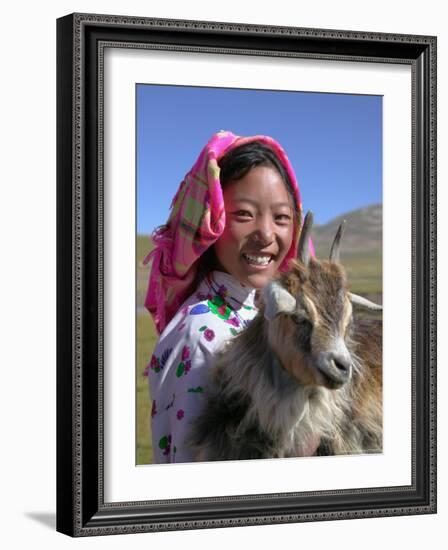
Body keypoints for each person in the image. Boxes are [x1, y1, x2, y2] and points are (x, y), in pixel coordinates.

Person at [143, 130, 303, 463]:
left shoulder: (257, 314)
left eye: (282, 217)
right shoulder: (203, 333)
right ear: (210, 220)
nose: (266, 233)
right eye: (244, 214)